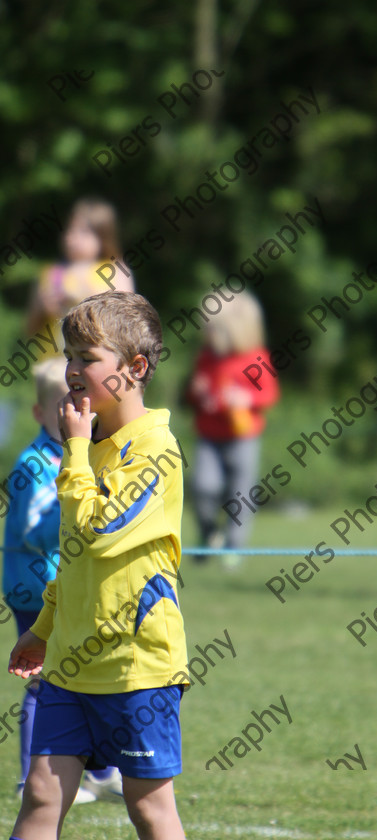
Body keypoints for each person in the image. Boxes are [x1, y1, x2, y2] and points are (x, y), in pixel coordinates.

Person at [8, 291, 188, 840]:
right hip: (69, 665)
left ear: (134, 369)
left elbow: (99, 533)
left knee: (148, 810)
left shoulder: (154, 449)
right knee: (41, 793)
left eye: (88, 358)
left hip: (135, 669)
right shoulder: (91, 445)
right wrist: (42, 629)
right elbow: (75, 559)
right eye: (69, 356)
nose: (73, 370)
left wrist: (76, 452)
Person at [3, 357, 122, 804]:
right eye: (63, 407)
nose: (75, 416)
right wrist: (69, 506)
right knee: (43, 682)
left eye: (81, 405)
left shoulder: (79, 455)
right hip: (37, 591)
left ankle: (103, 771)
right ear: (40, 414)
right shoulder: (35, 464)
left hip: (71, 589)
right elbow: (32, 532)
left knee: (89, 675)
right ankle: (29, 778)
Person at [184, 292, 280, 569]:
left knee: (241, 494)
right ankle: (208, 534)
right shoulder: (207, 358)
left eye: (214, 329)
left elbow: (269, 395)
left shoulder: (256, 358)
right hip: (209, 434)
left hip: (244, 435)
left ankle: (234, 545)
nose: (209, 335)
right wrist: (198, 392)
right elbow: (197, 393)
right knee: (203, 486)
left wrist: (247, 398)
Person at [26, 197, 134, 356]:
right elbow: (30, 328)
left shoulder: (115, 270)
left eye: (84, 231)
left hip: (97, 363)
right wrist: (43, 308)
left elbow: (127, 321)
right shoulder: (52, 272)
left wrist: (82, 298)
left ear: (104, 237)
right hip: (52, 365)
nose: (73, 237)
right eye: (70, 229)